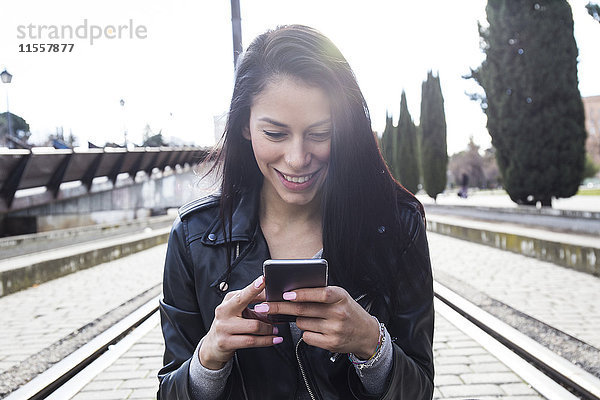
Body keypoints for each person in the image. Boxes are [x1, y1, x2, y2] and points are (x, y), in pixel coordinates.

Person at [157, 25, 434, 399]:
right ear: (244, 125)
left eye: (321, 133)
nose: (298, 158)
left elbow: (419, 390)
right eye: (275, 134)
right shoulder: (194, 236)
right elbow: (170, 390)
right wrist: (208, 357)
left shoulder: (398, 226)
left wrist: (372, 344)